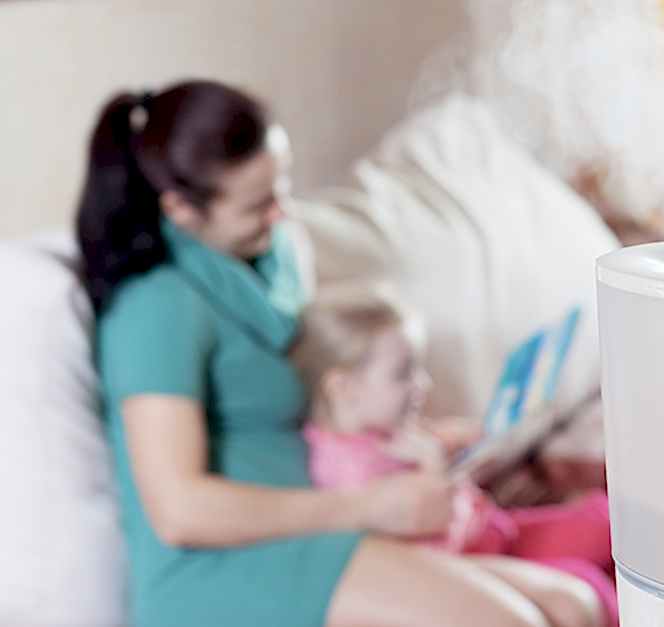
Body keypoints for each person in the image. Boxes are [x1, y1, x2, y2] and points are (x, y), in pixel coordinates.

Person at [77, 79, 603, 627]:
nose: (281, 215)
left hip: (312, 533)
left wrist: (425, 442)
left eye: (280, 190)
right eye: (258, 205)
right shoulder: (158, 306)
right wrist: (372, 505)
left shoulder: (265, 276)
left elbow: (321, 419)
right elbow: (180, 512)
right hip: (222, 568)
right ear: (182, 210)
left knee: (573, 604)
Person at [297, 288, 618, 626]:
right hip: (471, 555)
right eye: (403, 373)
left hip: (495, 529)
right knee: (590, 582)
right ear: (343, 387)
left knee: (604, 522)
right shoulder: (346, 470)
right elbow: (418, 545)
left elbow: (430, 446)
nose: (423, 384)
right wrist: (434, 468)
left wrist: (465, 444)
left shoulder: (381, 428)